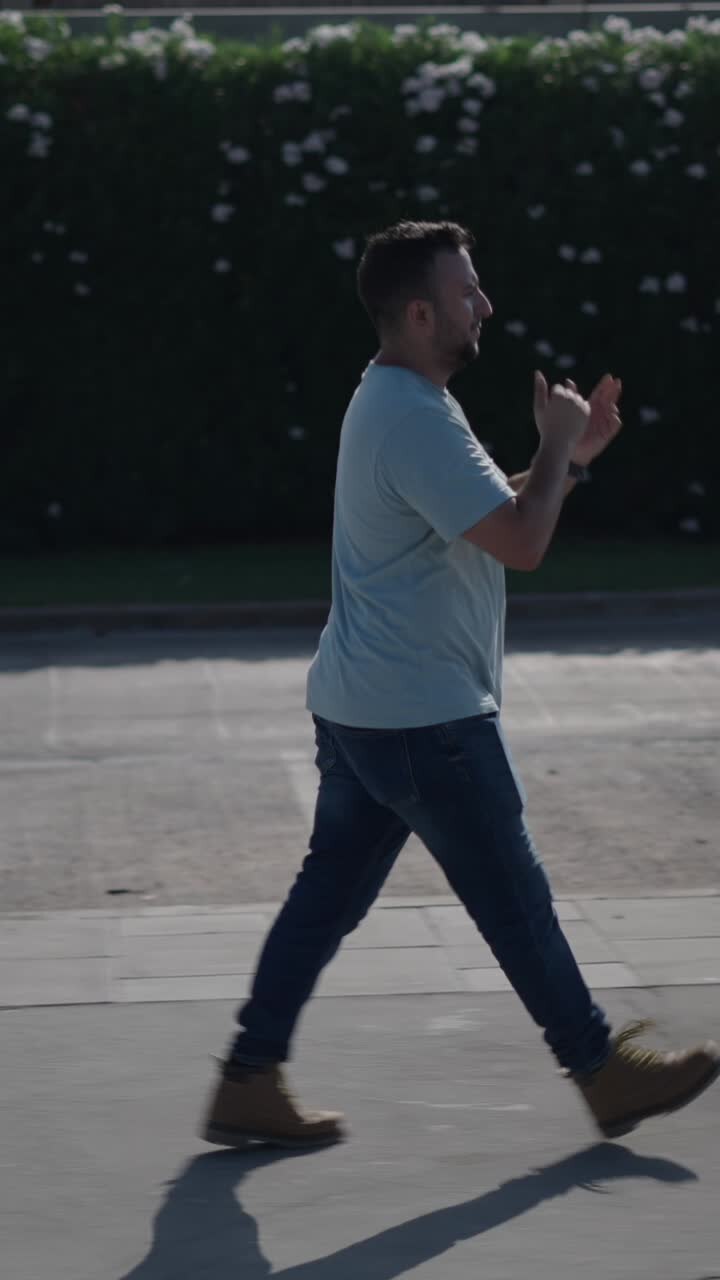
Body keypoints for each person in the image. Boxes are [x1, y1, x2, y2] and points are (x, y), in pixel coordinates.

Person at [201, 220, 719, 1148]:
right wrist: (557, 444)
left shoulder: (398, 401)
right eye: (469, 291)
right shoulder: (413, 416)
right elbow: (522, 542)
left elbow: (485, 512)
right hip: (423, 717)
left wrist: (573, 459)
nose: (485, 304)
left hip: (366, 710)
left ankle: (247, 1076)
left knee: (330, 896)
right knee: (512, 895)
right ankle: (602, 1070)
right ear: (419, 310)